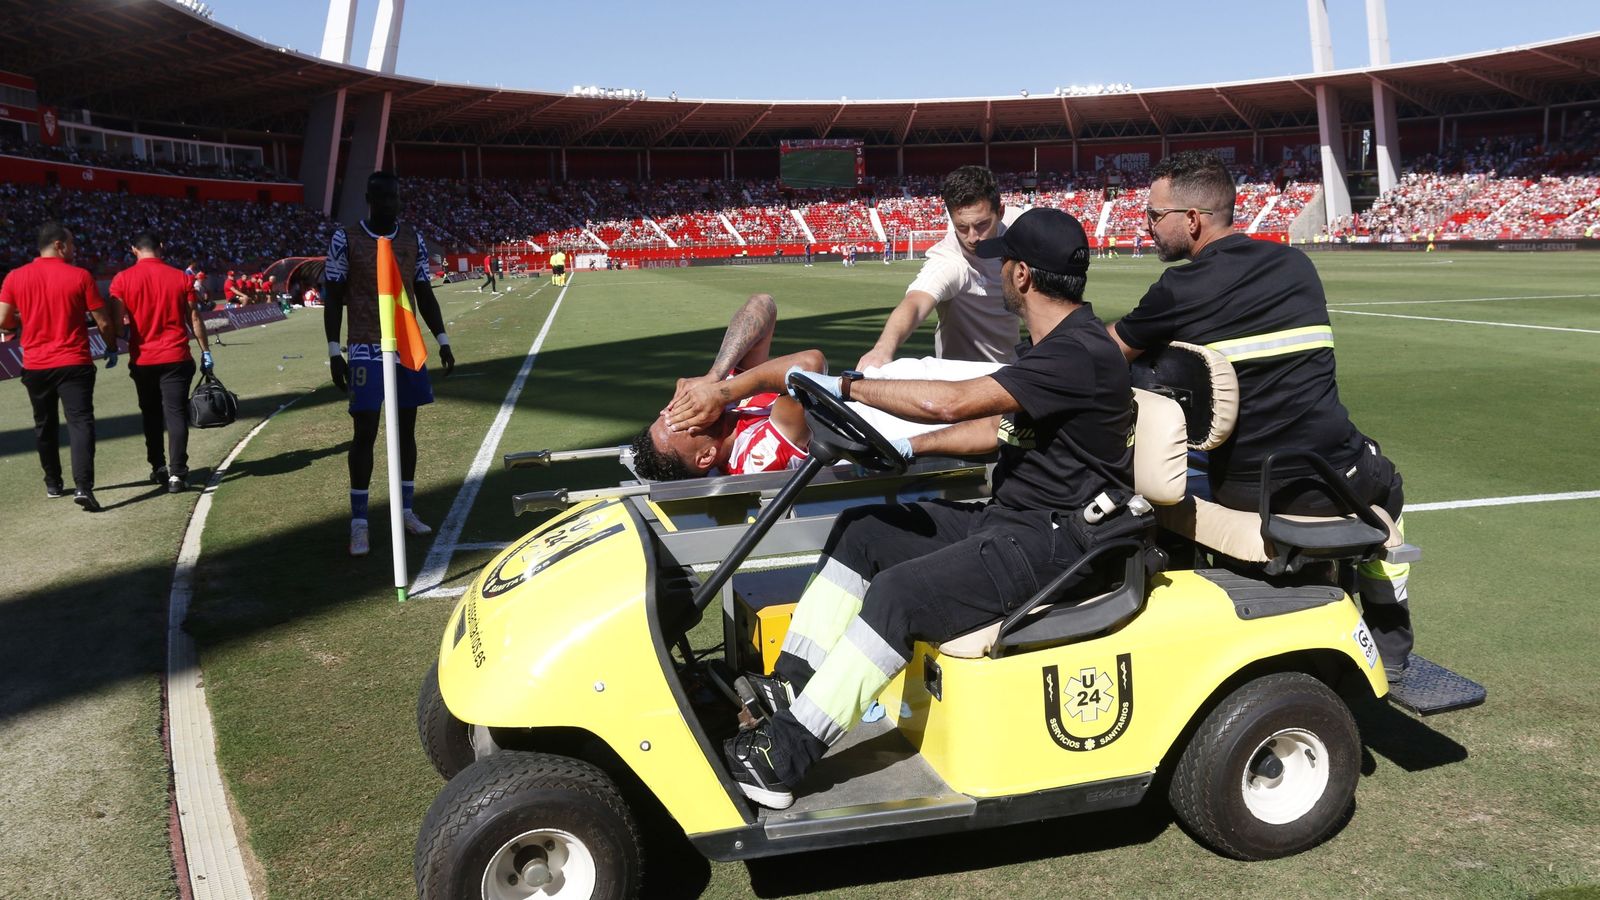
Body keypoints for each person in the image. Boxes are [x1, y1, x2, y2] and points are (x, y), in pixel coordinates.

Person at [725, 208, 1134, 809]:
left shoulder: (1076, 353)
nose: (995, 271)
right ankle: (792, 686)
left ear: (1021, 276)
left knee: (899, 594)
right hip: (1017, 522)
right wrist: (905, 446)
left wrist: (844, 387)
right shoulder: (1055, 347)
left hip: (1062, 546)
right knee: (866, 530)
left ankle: (783, 756)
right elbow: (995, 429)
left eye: (1003, 262)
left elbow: (952, 404)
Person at [1105, 150, 1415, 676]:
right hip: (1338, 477)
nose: (1148, 225)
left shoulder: (1178, 289)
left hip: (1247, 489)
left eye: (1155, 216)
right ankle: (1389, 638)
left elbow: (1107, 356)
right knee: (1389, 484)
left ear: (1194, 220)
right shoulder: (1297, 265)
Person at [324, 171, 456, 557]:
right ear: (369, 198)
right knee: (365, 432)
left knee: (406, 430)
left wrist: (442, 339)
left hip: (405, 347)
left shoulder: (411, 238)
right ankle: (360, 522)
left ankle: (406, 510)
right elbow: (333, 296)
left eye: (396, 198)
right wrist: (334, 350)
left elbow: (423, 291)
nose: (392, 205)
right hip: (365, 345)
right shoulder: (344, 239)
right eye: (384, 198)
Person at [0, 222, 120, 510]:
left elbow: (3, 321)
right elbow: (102, 321)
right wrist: (112, 346)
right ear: (59, 245)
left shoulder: (15, 277)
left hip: (36, 364)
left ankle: (53, 482)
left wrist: (22, 319)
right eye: (72, 244)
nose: (75, 249)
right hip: (73, 361)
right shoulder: (79, 276)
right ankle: (83, 486)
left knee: (45, 424)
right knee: (80, 424)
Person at [856, 166, 1022, 370]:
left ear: (1001, 212)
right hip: (961, 381)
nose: (972, 237)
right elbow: (916, 302)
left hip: (1012, 373)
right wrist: (882, 350)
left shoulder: (1018, 230)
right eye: (961, 227)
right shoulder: (949, 261)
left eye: (981, 225)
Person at [109, 232, 213, 493]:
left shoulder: (122, 279)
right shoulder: (181, 277)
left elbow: (117, 323)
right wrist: (206, 351)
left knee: (151, 414)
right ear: (162, 247)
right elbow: (195, 318)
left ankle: (158, 466)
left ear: (134, 250)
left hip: (143, 359)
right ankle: (178, 473)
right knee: (176, 413)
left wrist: (126, 335)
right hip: (176, 356)